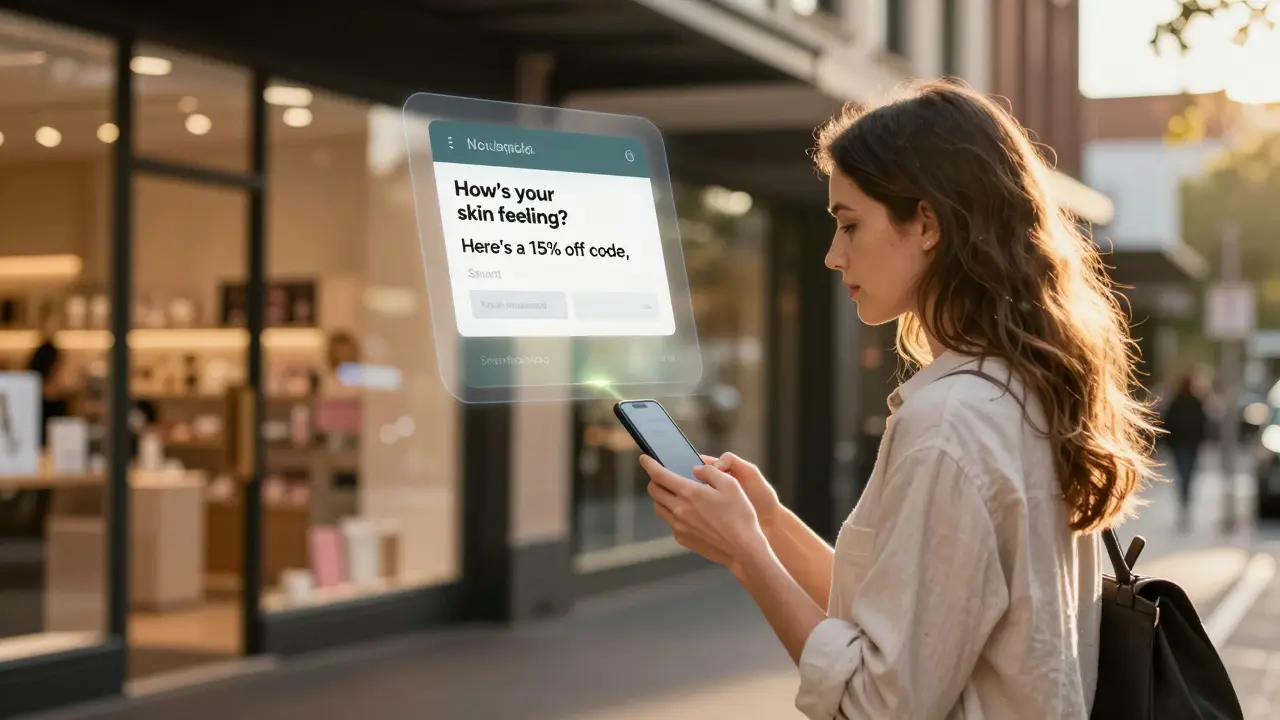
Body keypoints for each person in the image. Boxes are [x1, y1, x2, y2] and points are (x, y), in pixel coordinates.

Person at [637, 80, 1158, 719]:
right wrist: (769, 523)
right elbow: (917, 621)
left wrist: (746, 555)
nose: (834, 255)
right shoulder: (1020, 391)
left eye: (850, 225)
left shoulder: (951, 424)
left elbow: (876, 703)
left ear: (928, 223)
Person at [1160, 369, 1209, 532]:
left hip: (1183, 446)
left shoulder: (1181, 401)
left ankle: (1184, 505)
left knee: (1184, 477)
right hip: (1185, 446)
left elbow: (1167, 424)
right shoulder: (1190, 402)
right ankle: (1185, 505)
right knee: (1186, 477)